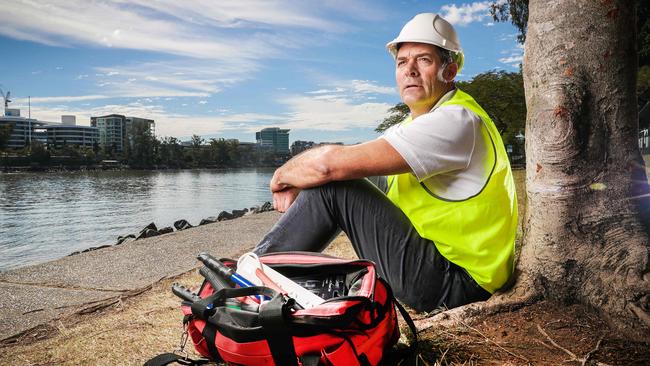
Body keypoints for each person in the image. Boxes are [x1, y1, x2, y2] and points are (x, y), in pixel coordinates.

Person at [254, 13, 518, 312]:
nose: (411, 71)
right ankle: (259, 273)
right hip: (445, 267)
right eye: (402, 62)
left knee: (336, 186)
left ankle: (247, 282)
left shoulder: (456, 120)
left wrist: (281, 177)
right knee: (338, 179)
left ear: (450, 70)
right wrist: (306, 180)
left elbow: (330, 164)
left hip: (458, 283)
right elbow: (346, 161)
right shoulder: (415, 124)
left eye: (424, 61)